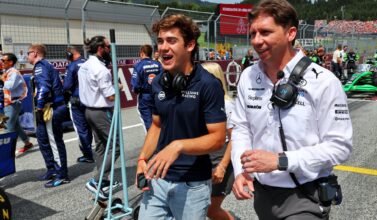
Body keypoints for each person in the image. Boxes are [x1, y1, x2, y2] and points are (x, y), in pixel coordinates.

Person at [230, 1, 353, 219]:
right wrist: (242, 171)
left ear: (291, 33)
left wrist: (281, 160)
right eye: (253, 33)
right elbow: (241, 128)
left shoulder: (324, 81)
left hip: (305, 195)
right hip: (263, 195)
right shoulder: (248, 76)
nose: (257, 41)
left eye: (265, 32)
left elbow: (339, 146)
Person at [136, 14, 226, 220]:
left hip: (192, 185)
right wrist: (142, 158)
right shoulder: (158, 81)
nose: (163, 47)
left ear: (190, 45)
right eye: (160, 41)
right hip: (157, 179)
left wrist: (178, 146)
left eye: (171, 40)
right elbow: (157, 125)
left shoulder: (208, 85)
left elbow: (218, 138)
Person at [79, 36, 120, 200]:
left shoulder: (85, 64)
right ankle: (96, 180)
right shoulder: (101, 69)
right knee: (116, 147)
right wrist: (118, 88)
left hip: (89, 110)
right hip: (101, 111)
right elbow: (110, 97)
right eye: (108, 47)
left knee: (101, 146)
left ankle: (102, 181)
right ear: (101, 48)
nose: (110, 50)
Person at [27, 44, 69, 187]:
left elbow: (44, 87)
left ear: (35, 53)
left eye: (28, 53)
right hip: (47, 108)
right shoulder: (43, 66)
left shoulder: (41, 65)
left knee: (54, 142)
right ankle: (51, 169)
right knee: (42, 138)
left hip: (51, 108)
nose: (27, 56)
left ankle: (62, 174)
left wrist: (39, 106)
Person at [201, 62, 235, 220]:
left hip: (221, 161)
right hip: (204, 161)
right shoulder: (200, 101)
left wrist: (222, 167)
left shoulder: (227, 104)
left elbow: (235, 138)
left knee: (211, 210)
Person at [63, 46, 94, 163]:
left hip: (77, 100)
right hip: (90, 99)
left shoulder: (72, 66)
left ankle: (87, 154)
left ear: (70, 55)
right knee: (89, 126)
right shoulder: (89, 62)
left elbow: (66, 86)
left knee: (81, 128)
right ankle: (90, 150)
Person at [1, 53, 33, 155]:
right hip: (7, 103)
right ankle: (27, 143)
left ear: (10, 62)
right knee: (16, 126)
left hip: (12, 103)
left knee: (8, 129)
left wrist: (2, 78)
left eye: (3, 60)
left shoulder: (14, 72)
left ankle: (7, 154)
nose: (1, 62)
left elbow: (9, 86)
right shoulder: (7, 71)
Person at [131, 45, 162, 131]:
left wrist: (136, 90)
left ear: (142, 54)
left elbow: (135, 85)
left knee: (147, 121)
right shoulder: (158, 64)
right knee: (158, 119)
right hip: (157, 95)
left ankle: (151, 141)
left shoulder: (138, 66)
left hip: (144, 96)